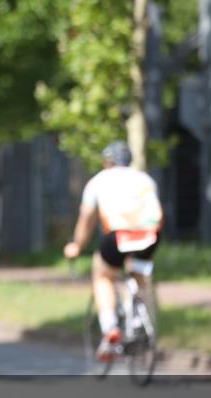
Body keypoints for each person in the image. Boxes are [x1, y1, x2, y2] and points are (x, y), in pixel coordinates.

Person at [63, 141, 164, 362]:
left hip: (118, 236)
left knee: (103, 275)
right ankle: (141, 319)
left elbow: (86, 221)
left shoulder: (97, 181)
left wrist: (76, 247)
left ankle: (110, 329)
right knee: (138, 273)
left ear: (106, 161)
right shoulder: (145, 179)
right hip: (150, 235)